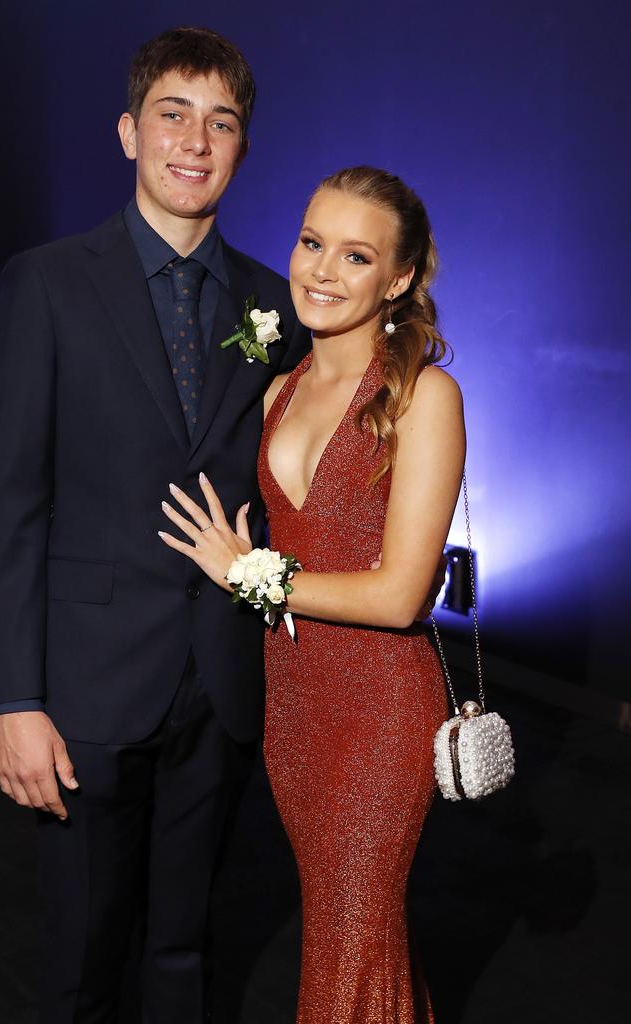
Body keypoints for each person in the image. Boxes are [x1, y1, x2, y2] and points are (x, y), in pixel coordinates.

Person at [0, 27, 313, 1023]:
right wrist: (14, 700)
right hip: (83, 687)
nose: (195, 141)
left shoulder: (271, 304)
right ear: (128, 132)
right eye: (172, 114)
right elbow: (11, 511)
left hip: (219, 680)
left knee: (185, 943)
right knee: (83, 950)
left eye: (222, 122)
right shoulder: (46, 284)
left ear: (243, 147)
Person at [159, 166, 466, 1023]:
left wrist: (250, 573)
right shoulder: (276, 389)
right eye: (310, 242)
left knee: (352, 931)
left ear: (398, 279)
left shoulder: (423, 397)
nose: (321, 271)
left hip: (378, 711)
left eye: (356, 255)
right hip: (294, 706)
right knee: (354, 940)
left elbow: (403, 595)